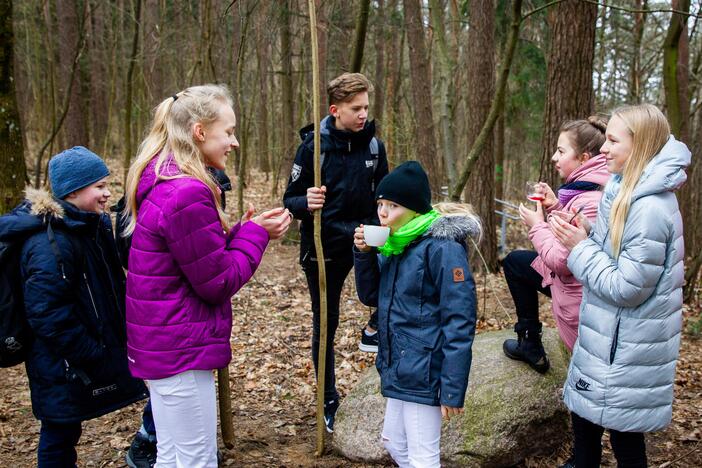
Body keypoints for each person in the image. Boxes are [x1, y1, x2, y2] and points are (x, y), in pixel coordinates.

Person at [124, 84, 291, 466]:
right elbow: (218, 282)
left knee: (172, 456)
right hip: (179, 349)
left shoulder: (166, 182)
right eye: (228, 131)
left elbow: (192, 258)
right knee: (196, 460)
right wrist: (257, 235)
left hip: (166, 345)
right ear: (200, 131)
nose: (234, 142)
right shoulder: (186, 193)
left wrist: (240, 231)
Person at [550, 104, 690, 467]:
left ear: (640, 145)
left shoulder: (649, 208)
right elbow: (615, 254)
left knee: (625, 443)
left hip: (624, 353)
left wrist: (578, 248)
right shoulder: (622, 188)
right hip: (605, 343)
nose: (604, 149)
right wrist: (587, 235)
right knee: (587, 435)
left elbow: (627, 287)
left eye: (612, 140)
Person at [0, 147, 148, 467]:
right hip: (60, 363)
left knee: (66, 428)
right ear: (73, 191)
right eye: (99, 186)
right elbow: (47, 312)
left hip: (75, 358)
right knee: (59, 431)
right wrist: (91, 352)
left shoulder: (90, 227)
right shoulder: (48, 242)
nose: (107, 193)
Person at [353, 161, 479, 467]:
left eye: (393, 205)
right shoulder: (396, 245)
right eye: (380, 204)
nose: (383, 212)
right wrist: (364, 254)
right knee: (393, 442)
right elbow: (371, 296)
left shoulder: (443, 249)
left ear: (415, 209)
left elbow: (459, 320)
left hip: (427, 369)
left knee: (424, 458)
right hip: (399, 364)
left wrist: (452, 388)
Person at [283, 72, 389, 432]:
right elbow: (290, 200)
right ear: (335, 110)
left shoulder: (374, 147)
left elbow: (385, 196)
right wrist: (306, 202)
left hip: (365, 240)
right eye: (356, 108)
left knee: (389, 299)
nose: (363, 115)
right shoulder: (313, 147)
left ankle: (379, 343)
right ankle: (327, 398)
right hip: (323, 245)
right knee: (326, 322)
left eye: (366, 108)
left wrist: (384, 223)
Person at [502, 117, 609, 373]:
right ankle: (529, 342)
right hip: (575, 283)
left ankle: (534, 346)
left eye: (561, 151)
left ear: (584, 158)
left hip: (582, 298)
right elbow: (573, 236)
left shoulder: (593, 198)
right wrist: (555, 207)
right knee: (516, 263)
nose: (554, 157)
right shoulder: (584, 190)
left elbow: (562, 262)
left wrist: (537, 224)